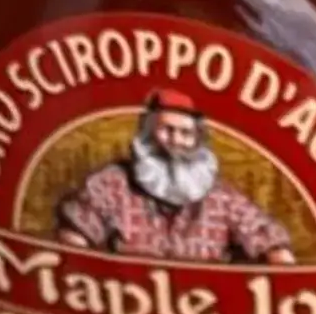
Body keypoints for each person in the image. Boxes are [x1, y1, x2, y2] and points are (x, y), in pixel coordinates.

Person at [57, 89, 298, 264]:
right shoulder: (113, 183)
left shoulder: (220, 197)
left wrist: (280, 264)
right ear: (148, 133)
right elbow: (75, 233)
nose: (176, 142)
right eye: (167, 130)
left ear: (197, 140)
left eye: (186, 134)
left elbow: (264, 235)